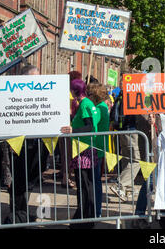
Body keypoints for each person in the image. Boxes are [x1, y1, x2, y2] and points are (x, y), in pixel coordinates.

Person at [4, 65, 50, 224]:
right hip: (18, 145)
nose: (36, 84)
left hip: (36, 145)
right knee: (17, 182)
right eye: (33, 80)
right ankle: (16, 216)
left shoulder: (43, 95)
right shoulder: (12, 94)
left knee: (30, 181)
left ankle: (22, 214)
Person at [60, 79, 99, 229]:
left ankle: (84, 219)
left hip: (84, 150)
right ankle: (84, 217)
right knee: (85, 185)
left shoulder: (85, 104)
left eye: (71, 89)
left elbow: (89, 127)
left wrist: (73, 131)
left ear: (75, 90)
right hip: (83, 149)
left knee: (84, 186)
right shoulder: (85, 104)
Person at [109, 86, 142, 201]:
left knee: (128, 160)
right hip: (130, 130)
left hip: (122, 130)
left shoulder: (121, 96)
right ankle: (120, 184)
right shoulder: (132, 95)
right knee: (136, 161)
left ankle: (128, 189)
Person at [87, 83, 111, 218]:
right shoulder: (101, 107)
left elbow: (91, 123)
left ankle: (96, 211)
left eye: (89, 94)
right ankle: (96, 210)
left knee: (94, 181)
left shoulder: (100, 108)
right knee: (95, 180)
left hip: (96, 147)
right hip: (98, 147)